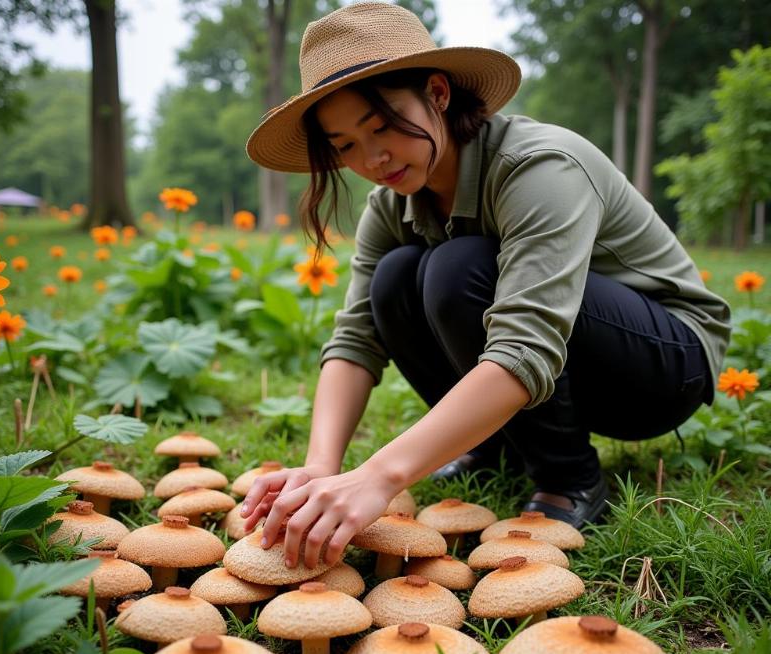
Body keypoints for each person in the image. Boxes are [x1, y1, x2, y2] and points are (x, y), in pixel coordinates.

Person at [241, 1, 730, 570]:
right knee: (398, 276)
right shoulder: (390, 205)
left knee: (458, 267)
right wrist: (322, 464)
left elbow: (528, 341)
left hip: (663, 364)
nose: (373, 158)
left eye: (383, 125)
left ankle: (567, 478)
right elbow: (356, 339)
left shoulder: (539, 167)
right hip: (553, 363)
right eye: (346, 145)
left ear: (438, 94)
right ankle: (494, 446)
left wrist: (378, 476)